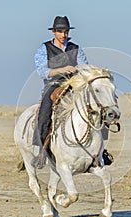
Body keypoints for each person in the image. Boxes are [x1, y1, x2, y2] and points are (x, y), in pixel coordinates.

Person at [32, 16, 113, 168]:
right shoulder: (44, 48)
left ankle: (101, 151)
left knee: (99, 108)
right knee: (45, 112)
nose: (64, 35)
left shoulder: (76, 48)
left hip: (75, 85)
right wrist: (62, 69)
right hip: (54, 85)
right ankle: (42, 151)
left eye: (66, 31)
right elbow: (42, 71)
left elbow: (84, 66)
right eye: (60, 31)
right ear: (54, 32)